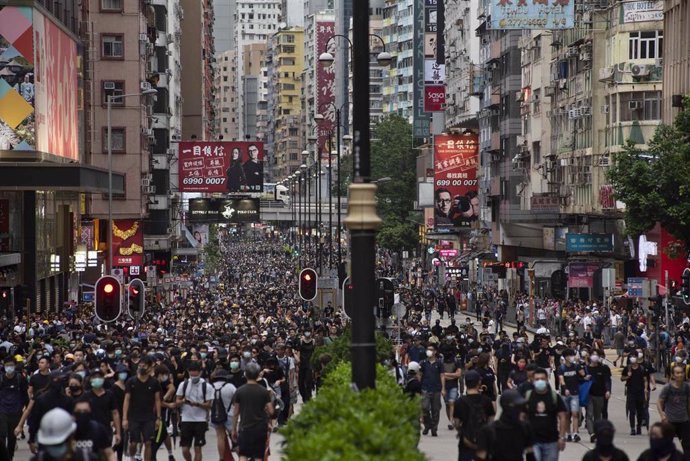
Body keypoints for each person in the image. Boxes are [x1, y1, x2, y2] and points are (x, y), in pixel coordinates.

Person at [476, 390, 534, 461]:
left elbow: (530, 453)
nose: (521, 410)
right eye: (517, 406)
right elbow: (481, 456)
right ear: (508, 407)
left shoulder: (525, 427)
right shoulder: (488, 431)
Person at [231, 363, 274, 461]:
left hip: (245, 427)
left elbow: (235, 413)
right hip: (260, 428)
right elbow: (271, 411)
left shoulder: (239, 391)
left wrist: (234, 429)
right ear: (258, 374)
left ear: (245, 374)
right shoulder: (264, 391)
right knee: (258, 455)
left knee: (243, 454)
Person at [122, 356, 162, 461]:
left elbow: (157, 400)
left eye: (144, 366)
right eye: (139, 366)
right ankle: (131, 458)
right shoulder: (131, 381)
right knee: (134, 442)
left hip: (149, 417)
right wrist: (125, 418)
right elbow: (126, 400)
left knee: (148, 442)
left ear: (149, 367)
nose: (141, 368)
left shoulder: (154, 382)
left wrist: (158, 417)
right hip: (134, 416)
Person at [524, 368, 567, 461]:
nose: (540, 381)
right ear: (532, 381)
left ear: (547, 379)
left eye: (542, 379)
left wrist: (562, 437)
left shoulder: (554, 397)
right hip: (533, 441)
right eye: (537, 379)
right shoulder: (528, 396)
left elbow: (562, 417)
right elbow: (523, 417)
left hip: (552, 441)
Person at [454, 370, 495, 461]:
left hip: (465, 442)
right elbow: (491, 421)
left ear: (465, 383)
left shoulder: (459, 402)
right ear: (479, 382)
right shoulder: (486, 401)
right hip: (483, 443)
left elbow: (456, 423)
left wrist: (463, 431)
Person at [31, 408, 99, 461]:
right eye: (50, 444)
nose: (54, 448)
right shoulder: (39, 459)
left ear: (71, 436)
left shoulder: (86, 458)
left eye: (59, 444)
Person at [175, 361, 211, 461]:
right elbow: (177, 401)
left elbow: (209, 405)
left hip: (201, 420)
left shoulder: (206, 386)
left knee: (198, 448)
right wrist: (183, 401)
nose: (193, 377)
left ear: (200, 372)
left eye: (196, 375)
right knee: (185, 449)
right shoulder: (183, 385)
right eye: (191, 375)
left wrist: (198, 404)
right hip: (186, 419)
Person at [656, 364, 690, 454]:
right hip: (670, 421)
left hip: (684, 421)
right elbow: (659, 402)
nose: (680, 375)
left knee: (687, 446)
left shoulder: (687, 387)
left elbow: (689, 404)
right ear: (673, 375)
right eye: (677, 373)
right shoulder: (668, 388)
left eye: (681, 373)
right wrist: (662, 415)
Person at [0, 356, 28, 461]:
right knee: (1, 436)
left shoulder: (20, 379)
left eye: (11, 365)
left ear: (15, 366)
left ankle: (9, 457)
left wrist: (27, 409)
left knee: (12, 439)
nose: (9, 367)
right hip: (2, 411)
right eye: (7, 365)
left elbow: (25, 396)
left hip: (16, 412)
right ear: (3, 366)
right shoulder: (1, 378)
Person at [556, 349, 586, 442]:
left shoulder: (576, 366)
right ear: (565, 357)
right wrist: (565, 388)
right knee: (567, 415)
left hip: (575, 393)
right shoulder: (561, 368)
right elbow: (561, 380)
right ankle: (568, 433)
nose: (572, 357)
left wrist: (581, 365)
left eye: (573, 355)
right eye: (570, 355)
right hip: (565, 394)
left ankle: (575, 433)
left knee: (575, 413)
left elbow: (583, 374)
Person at [209, 369, 236, 461]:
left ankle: (221, 458)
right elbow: (236, 401)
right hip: (230, 415)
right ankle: (242, 457)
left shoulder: (210, 387)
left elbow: (208, 403)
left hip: (216, 415)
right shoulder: (230, 387)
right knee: (234, 436)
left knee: (220, 437)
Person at [420, 343, 445, 437]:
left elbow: (442, 376)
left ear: (435, 352)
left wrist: (443, 388)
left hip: (436, 389)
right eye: (428, 349)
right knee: (425, 408)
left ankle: (434, 428)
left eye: (431, 349)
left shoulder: (439, 363)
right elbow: (420, 375)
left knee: (436, 409)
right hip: (425, 388)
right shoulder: (423, 363)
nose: (429, 351)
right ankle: (427, 425)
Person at [586, 351, 612, 443]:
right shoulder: (586, 368)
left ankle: (597, 433)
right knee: (589, 414)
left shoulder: (604, 368)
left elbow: (607, 380)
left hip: (600, 395)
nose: (595, 357)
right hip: (588, 395)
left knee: (598, 416)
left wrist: (608, 390)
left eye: (597, 355)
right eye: (593, 354)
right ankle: (592, 433)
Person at [622, 351, 649, 436]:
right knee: (632, 411)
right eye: (631, 357)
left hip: (640, 392)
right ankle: (632, 428)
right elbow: (622, 378)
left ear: (637, 358)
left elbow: (645, 379)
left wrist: (645, 389)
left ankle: (639, 427)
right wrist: (627, 376)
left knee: (640, 411)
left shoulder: (642, 368)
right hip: (631, 392)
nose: (632, 358)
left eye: (634, 356)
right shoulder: (627, 368)